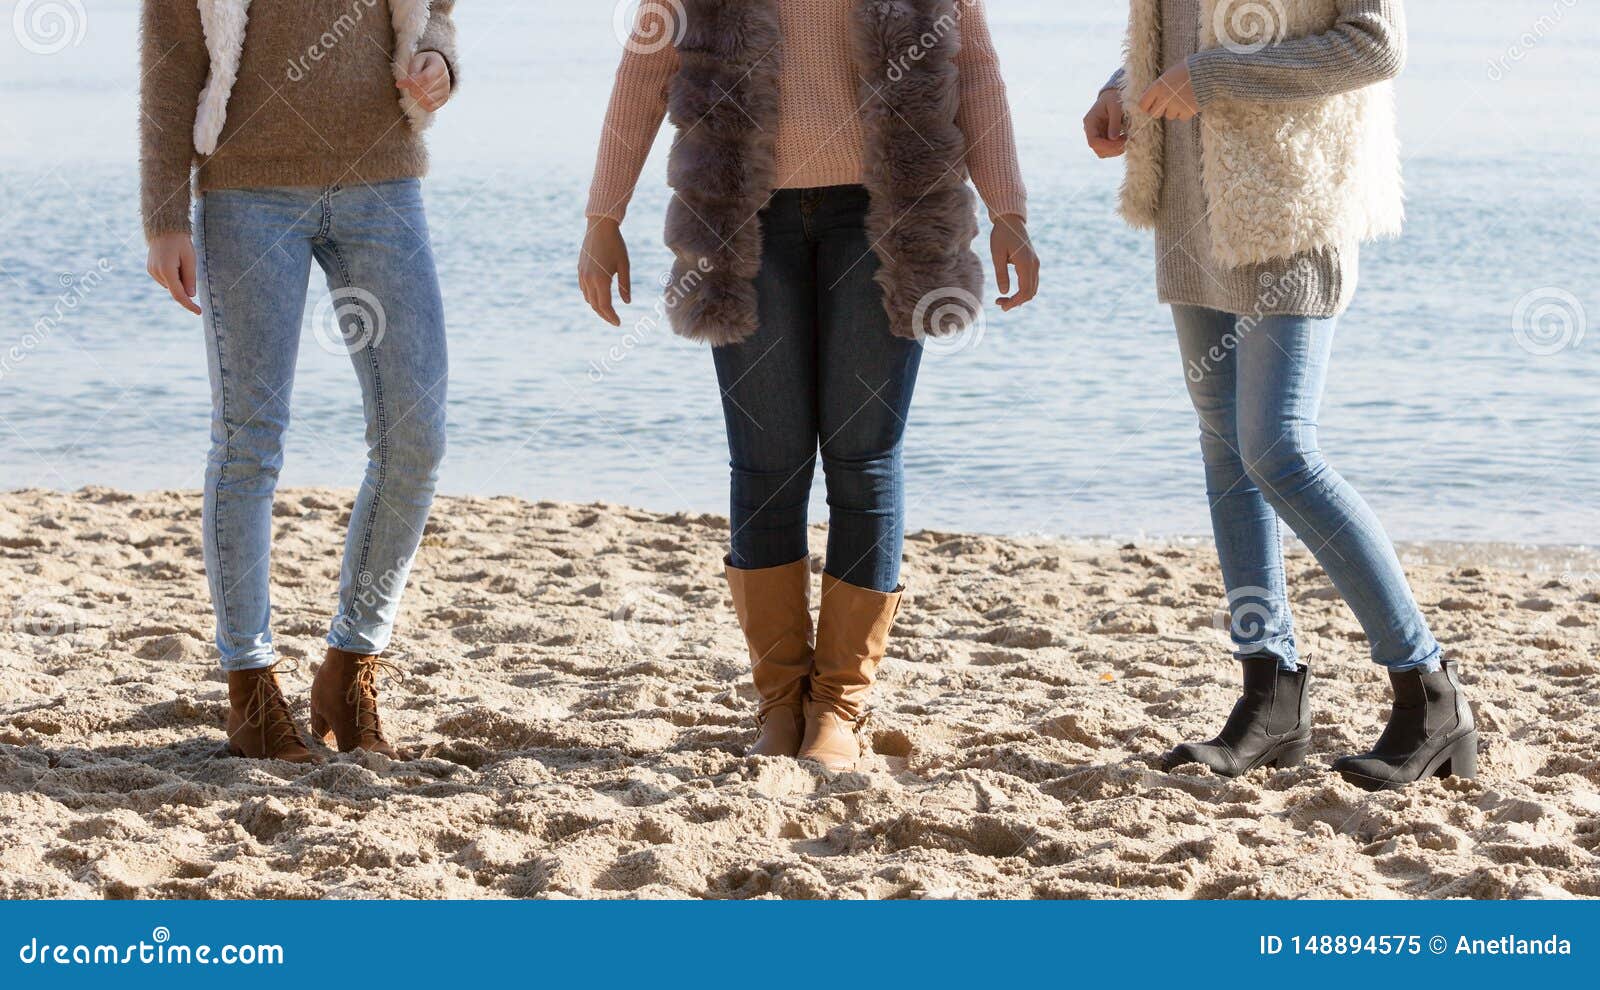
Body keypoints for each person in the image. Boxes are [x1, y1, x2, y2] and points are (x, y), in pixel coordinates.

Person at [579, 0, 1039, 770]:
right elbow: (644, 69)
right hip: (741, 220)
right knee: (767, 469)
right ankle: (779, 704)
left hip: (888, 217)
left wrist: (1009, 211)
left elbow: (976, 72)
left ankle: (838, 708)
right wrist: (603, 217)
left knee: (862, 461)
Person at [1084, 0, 1474, 789]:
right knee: (1228, 454)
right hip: (1190, 210)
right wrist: (1123, 88)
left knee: (1279, 449)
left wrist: (1213, 77)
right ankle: (1271, 695)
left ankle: (1429, 691)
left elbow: (1372, 45)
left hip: (1290, 204)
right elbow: (1183, 30)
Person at [140, 0, 459, 763]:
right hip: (245, 195)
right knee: (250, 442)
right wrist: (163, 217)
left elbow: (437, 11)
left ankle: (349, 668)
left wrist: (441, 61)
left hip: (383, 183)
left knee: (414, 434)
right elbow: (171, 64)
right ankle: (250, 688)